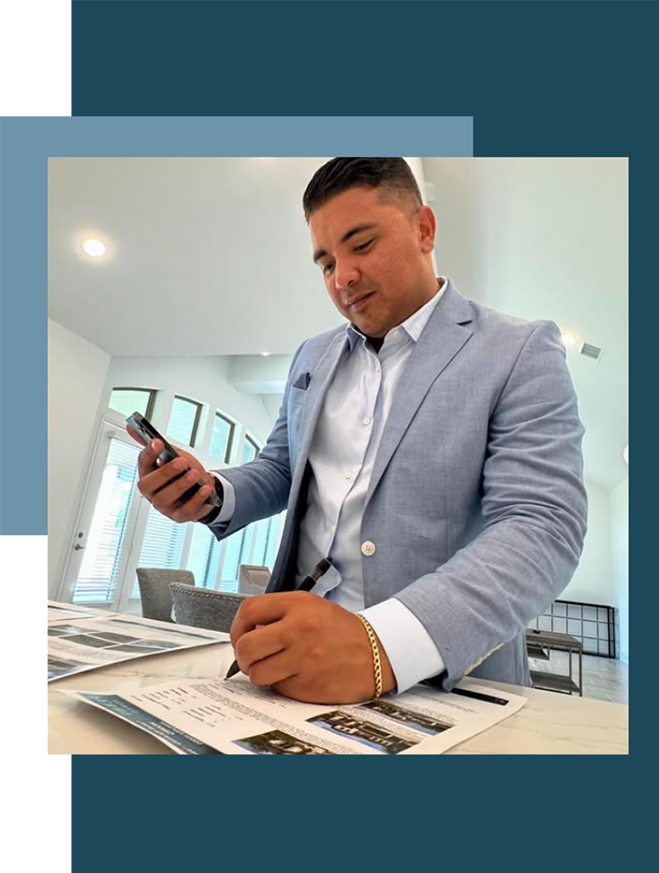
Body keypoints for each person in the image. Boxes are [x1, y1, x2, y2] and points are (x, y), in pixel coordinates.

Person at [129, 157, 588, 705]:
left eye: (362, 245)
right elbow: (281, 468)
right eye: (325, 263)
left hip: (445, 681)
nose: (341, 277)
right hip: (290, 664)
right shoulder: (311, 356)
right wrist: (211, 492)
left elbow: (541, 523)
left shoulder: (519, 349)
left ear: (424, 230)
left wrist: (384, 644)